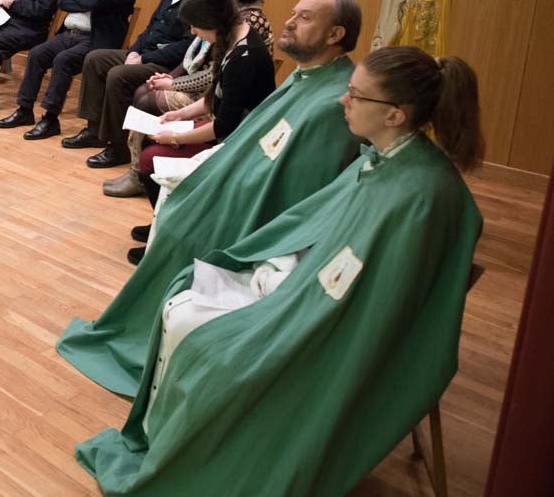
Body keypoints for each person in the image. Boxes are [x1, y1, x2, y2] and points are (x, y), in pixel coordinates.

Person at [74, 46, 484, 497]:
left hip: (345, 330)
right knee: (186, 294)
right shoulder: (388, 158)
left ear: (394, 115)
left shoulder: (424, 193)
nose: (342, 102)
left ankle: (199, 454)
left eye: (356, 96)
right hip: (319, 291)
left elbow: (376, 298)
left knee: (209, 343)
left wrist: (287, 298)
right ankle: (168, 442)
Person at [57, 0, 363, 397]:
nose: (289, 21)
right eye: (294, 11)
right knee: (178, 203)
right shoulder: (305, 79)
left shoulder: (330, 102)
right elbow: (248, 129)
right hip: (234, 171)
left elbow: (294, 184)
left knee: (182, 215)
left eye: (305, 17)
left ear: (335, 35)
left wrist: (214, 177)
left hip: (252, 201)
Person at [105, 0, 272, 198]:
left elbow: (225, 121)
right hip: (218, 113)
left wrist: (176, 136)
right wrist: (180, 113)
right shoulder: (231, 32)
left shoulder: (243, 48)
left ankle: (144, 179)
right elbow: (215, 89)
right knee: (151, 118)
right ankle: (141, 175)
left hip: (236, 135)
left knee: (151, 145)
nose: (193, 31)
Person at [64, 0, 207, 167]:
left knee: (118, 75)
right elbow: (149, 29)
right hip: (144, 54)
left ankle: (118, 146)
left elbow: (186, 47)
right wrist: (134, 51)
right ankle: (93, 130)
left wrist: (144, 59)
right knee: (95, 58)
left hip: (167, 65)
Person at [0, 0, 138, 140]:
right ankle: (24, 110)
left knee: (63, 60)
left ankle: (50, 118)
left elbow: (98, 4)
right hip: (68, 34)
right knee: (37, 54)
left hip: (95, 40)